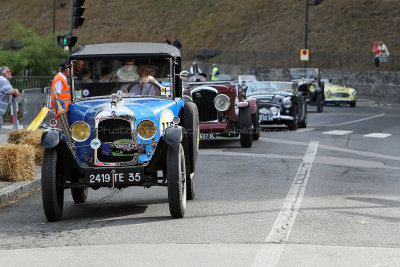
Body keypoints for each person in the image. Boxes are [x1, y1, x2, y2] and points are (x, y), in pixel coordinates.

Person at [0, 66, 20, 132]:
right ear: (4, 73)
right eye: (9, 71)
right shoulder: (3, 80)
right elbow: (10, 91)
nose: (10, 73)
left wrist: (14, 90)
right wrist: (16, 91)